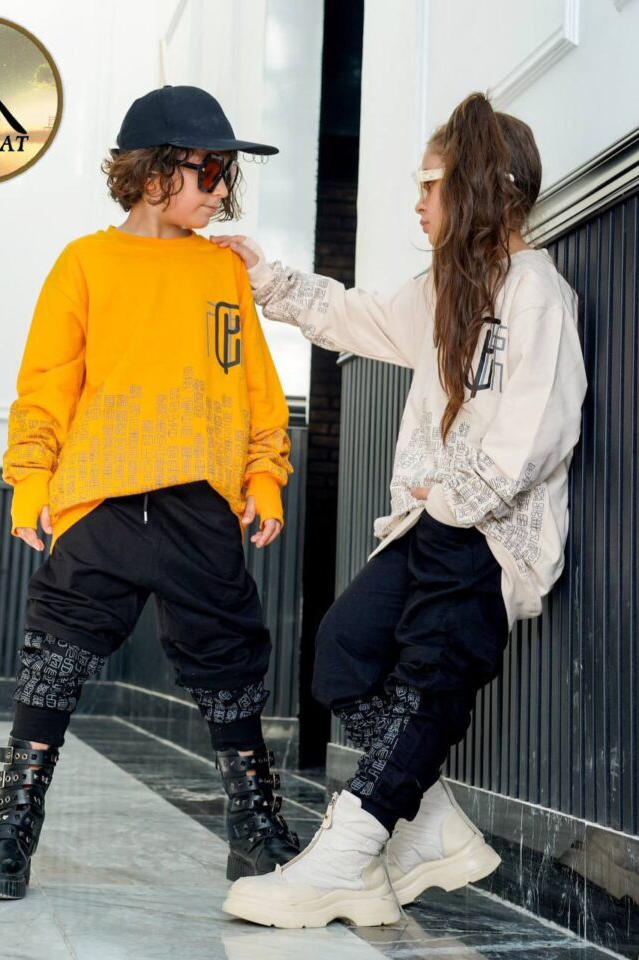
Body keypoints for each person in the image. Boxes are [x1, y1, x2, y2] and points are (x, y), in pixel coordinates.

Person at [212, 91, 588, 928]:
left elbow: (536, 430)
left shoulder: (538, 292)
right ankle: (428, 823)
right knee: (343, 650)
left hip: (488, 537)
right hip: (429, 527)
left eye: (430, 184)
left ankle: (347, 860)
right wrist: (266, 278)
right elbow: (357, 317)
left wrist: (452, 502)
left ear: (479, 186)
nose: (417, 202)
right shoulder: (444, 291)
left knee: (428, 678)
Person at [0, 84, 300, 900]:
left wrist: (264, 474)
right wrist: (30, 480)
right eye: (209, 169)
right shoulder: (85, 263)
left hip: (200, 502)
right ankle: (11, 822)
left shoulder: (223, 271)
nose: (222, 187)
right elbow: (46, 386)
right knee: (56, 653)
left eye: (227, 173)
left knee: (229, 656)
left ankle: (254, 826)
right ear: (153, 176)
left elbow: (256, 390)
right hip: (102, 500)